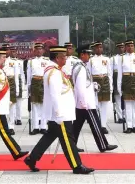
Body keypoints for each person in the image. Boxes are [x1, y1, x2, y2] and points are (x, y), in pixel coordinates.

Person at [24, 46, 94, 174]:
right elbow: (54, 94)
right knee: (68, 140)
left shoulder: (56, 70)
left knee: (50, 136)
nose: (66, 59)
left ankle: (31, 158)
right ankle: (77, 166)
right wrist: (59, 114)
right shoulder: (54, 72)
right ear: (57, 58)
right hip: (60, 113)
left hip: (60, 112)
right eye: (64, 57)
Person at [72, 44, 118, 152]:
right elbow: (80, 87)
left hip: (82, 103)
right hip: (86, 103)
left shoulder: (81, 66)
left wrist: (93, 86)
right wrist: (83, 103)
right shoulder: (80, 68)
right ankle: (103, 145)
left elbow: (86, 84)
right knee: (96, 125)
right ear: (82, 55)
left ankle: (71, 145)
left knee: (76, 126)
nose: (89, 56)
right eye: (87, 54)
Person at [117, 40, 135, 133]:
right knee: (128, 105)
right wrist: (119, 86)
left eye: (132, 46)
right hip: (126, 81)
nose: (130, 47)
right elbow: (120, 74)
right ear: (125, 47)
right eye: (128, 46)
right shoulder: (122, 58)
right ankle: (129, 126)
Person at [87, 41, 113, 134]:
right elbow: (89, 74)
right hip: (95, 82)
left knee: (104, 105)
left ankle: (103, 125)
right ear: (94, 49)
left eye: (101, 47)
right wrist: (90, 86)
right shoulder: (91, 60)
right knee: (95, 105)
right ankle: (96, 125)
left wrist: (111, 86)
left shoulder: (107, 59)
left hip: (105, 81)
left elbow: (110, 73)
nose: (99, 49)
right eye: (97, 48)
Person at [27, 43, 49, 134]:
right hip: (35, 82)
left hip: (44, 82)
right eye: (37, 49)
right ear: (34, 51)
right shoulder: (31, 61)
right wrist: (28, 87)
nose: (39, 51)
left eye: (40, 49)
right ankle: (36, 127)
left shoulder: (47, 61)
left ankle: (43, 126)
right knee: (35, 105)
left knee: (44, 105)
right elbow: (28, 75)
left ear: (43, 50)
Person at [3, 44, 19, 135]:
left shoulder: (14, 61)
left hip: (12, 83)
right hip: (2, 83)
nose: (7, 51)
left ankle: (11, 126)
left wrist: (16, 89)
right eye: (5, 49)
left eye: (8, 49)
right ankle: (5, 126)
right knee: (3, 106)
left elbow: (16, 75)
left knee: (12, 106)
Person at [110, 43, 125, 123]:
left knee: (125, 99)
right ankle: (120, 117)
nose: (121, 49)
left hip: (125, 78)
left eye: (122, 47)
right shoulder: (113, 59)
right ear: (116, 49)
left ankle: (125, 115)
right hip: (116, 78)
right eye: (119, 47)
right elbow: (111, 72)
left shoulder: (126, 57)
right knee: (118, 99)